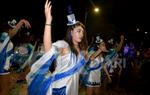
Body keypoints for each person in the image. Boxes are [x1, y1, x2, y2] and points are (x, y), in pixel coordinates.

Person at [26, 0, 88, 95]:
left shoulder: (81, 50)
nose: (81, 34)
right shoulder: (64, 45)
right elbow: (48, 50)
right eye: (79, 31)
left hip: (73, 89)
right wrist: (48, 21)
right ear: (71, 32)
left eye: (83, 32)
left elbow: (78, 72)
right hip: (59, 90)